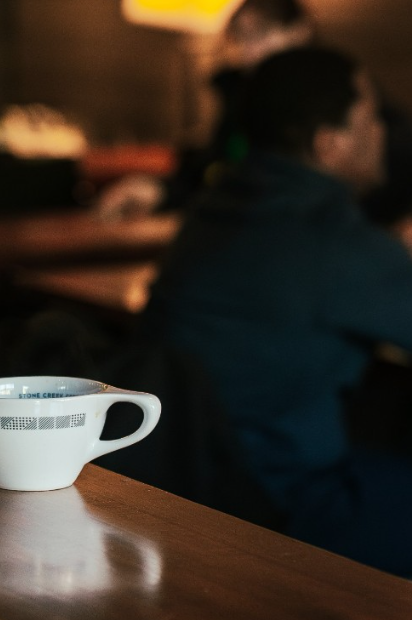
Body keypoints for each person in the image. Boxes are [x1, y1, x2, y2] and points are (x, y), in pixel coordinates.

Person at [140, 46, 412, 577]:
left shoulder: (213, 211)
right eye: (371, 117)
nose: (383, 130)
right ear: (328, 143)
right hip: (286, 509)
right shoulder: (332, 240)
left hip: (186, 480)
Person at [96, 0, 314, 219]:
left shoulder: (324, 106)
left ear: (299, 32)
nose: (250, 51)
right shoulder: (239, 98)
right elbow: (213, 173)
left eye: (261, 34)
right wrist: (159, 190)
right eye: (241, 38)